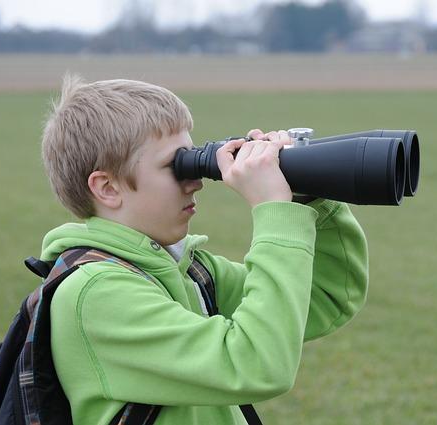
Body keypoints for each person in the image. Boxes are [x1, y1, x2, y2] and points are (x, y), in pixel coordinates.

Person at [40, 75, 368, 424]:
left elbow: (323, 296)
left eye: (195, 159)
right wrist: (275, 211)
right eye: (175, 166)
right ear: (107, 187)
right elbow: (256, 364)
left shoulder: (187, 271)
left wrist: (307, 194)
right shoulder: (95, 293)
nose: (195, 180)